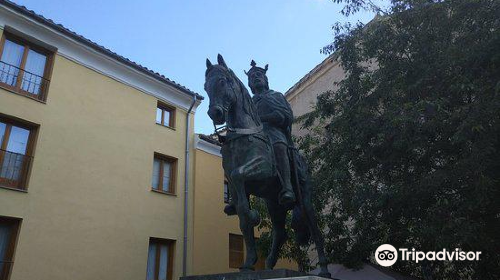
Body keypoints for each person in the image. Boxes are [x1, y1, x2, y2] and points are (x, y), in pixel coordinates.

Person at [245, 60, 296, 206]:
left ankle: (287, 187)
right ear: (250, 84)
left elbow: (287, 116)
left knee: (278, 145)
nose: (255, 77)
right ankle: (240, 198)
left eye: (259, 74)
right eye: (252, 76)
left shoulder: (276, 96)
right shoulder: (249, 102)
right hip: (254, 135)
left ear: (265, 79)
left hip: (274, 132)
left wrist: (268, 118)